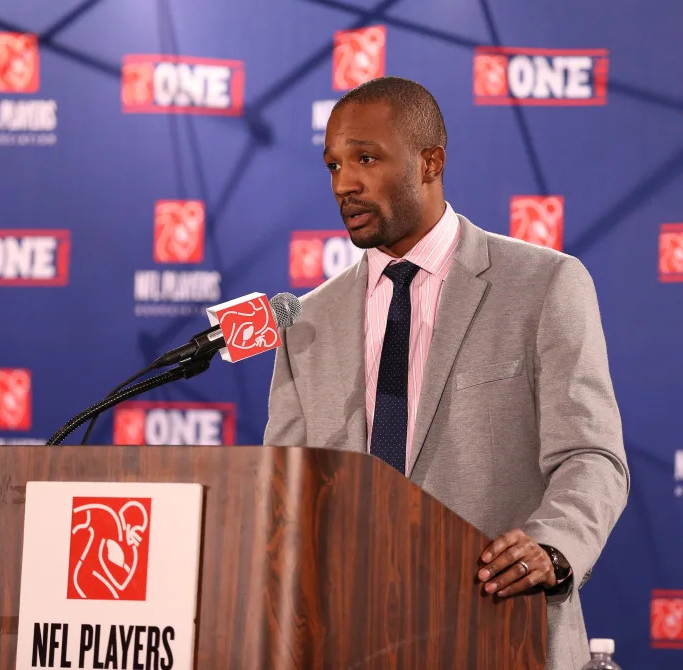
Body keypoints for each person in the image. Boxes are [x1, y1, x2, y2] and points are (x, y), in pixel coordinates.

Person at [264, 76, 629, 670]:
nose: (344, 183)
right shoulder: (307, 322)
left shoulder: (543, 286)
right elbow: (286, 493)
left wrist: (553, 546)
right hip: (350, 642)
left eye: (365, 159)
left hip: (500, 632)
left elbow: (592, 457)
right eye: (332, 165)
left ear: (430, 162)